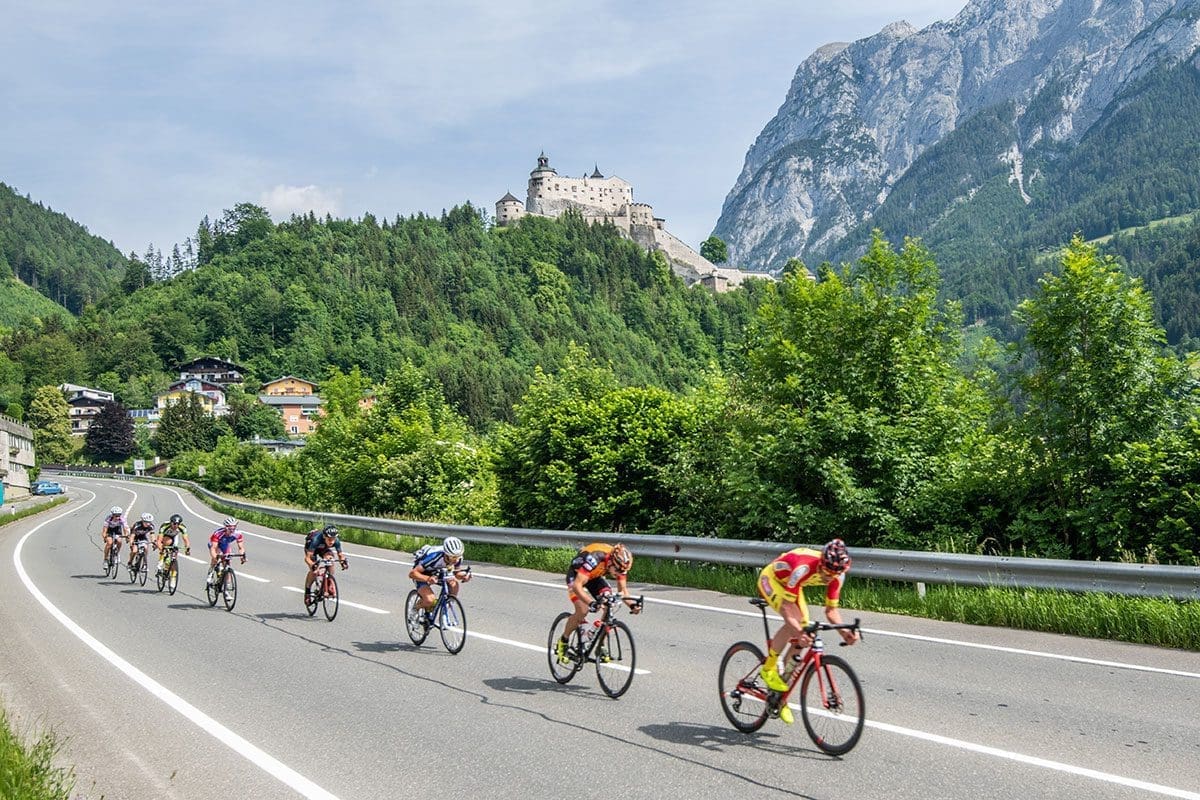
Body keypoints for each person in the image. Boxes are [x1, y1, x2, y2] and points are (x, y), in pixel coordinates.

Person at [756, 538, 858, 725]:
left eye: (833, 574)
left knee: (803, 633)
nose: (828, 578)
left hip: (792, 586)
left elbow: (831, 611)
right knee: (796, 624)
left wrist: (844, 632)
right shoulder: (803, 567)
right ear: (821, 563)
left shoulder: (837, 575)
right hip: (772, 580)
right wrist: (798, 629)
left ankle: (779, 694)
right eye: (826, 573)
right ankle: (769, 668)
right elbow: (787, 608)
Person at [554, 543, 640, 665]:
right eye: (617, 570)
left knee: (609, 603)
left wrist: (632, 605)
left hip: (594, 577)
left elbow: (622, 591)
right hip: (577, 576)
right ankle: (563, 641)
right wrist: (591, 603)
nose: (619, 573)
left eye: (622, 571)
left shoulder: (620, 565)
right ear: (611, 562)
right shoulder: (594, 558)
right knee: (583, 610)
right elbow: (578, 586)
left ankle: (600, 645)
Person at [407, 537, 471, 622]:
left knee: (454, 585)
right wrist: (428, 578)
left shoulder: (457, 557)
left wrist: (464, 576)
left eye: (458, 557)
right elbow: (412, 574)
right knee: (430, 600)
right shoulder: (434, 557)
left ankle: (446, 609)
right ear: (446, 554)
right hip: (423, 573)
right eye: (453, 557)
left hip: (439, 571)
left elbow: (456, 573)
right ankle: (415, 609)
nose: (456, 560)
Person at [304, 525, 348, 601]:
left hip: (323, 548)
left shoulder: (336, 541)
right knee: (314, 571)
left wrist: (343, 562)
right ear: (324, 536)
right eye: (329, 539)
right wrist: (312, 565)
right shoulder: (316, 540)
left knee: (330, 559)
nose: (332, 541)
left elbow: (340, 555)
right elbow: (307, 558)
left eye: (333, 539)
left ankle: (329, 583)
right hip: (311, 549)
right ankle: (307, 592)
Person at [207, 517, 246, 585]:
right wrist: (215, 557)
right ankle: (211, 572)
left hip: (225, 544)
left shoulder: (238, 534)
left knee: (227, 562)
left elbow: (241, 548)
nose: (232, 530)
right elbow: (213, 548)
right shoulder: (218, 533)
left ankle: (226, 586)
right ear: (225, 527)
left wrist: (242, 557)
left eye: (234, 528)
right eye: (230, 528)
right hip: (215, 544)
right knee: (216, 558)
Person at [100, 506, 128, 570]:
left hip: (117, 530)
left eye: (119, 515)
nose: (117, 517)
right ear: (112, 515)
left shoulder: (122, 519)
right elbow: (104, 530)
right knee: (109, 543)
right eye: (116, 516)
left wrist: (126, 535)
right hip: (109, 530)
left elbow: (125, 528)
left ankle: (117, 554)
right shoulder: (108, 519)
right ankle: (105, 560)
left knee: (119, 541)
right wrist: (104, 537)